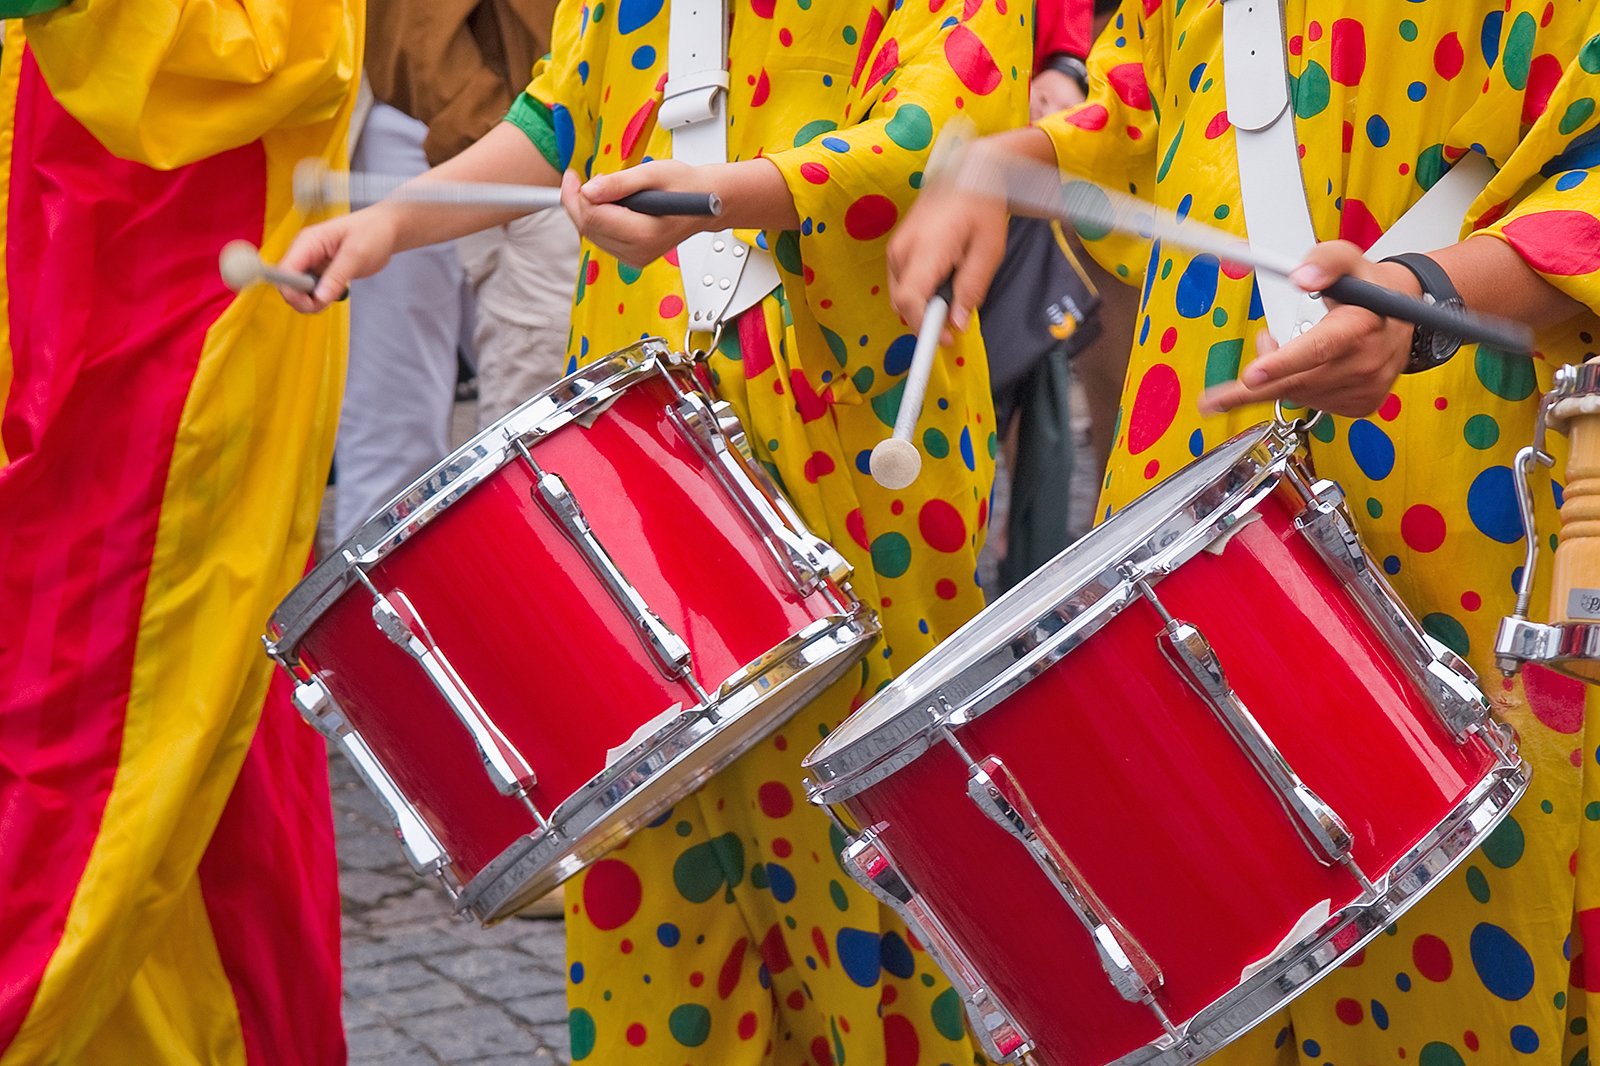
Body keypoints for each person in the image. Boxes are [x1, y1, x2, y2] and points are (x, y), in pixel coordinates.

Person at [279, 3, 1028, 1061]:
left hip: (853, 448)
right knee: (649, 830)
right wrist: (387, 226)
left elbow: (930, 133)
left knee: (868, 855)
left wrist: (711, 200)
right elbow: (552, 120)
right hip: (643, 452)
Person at [889, 1, 1600, 1062]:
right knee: (1197, 907)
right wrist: (1004, 163)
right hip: (1191, 469)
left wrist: (1429, 293)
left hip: (1450, 487)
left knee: (1452, 931)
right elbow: (1151, 105)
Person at [0, 1, 358, 1062]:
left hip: (158, 359)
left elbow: (270, 56)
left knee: (117, 740)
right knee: (192, 763)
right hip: (62, 325)